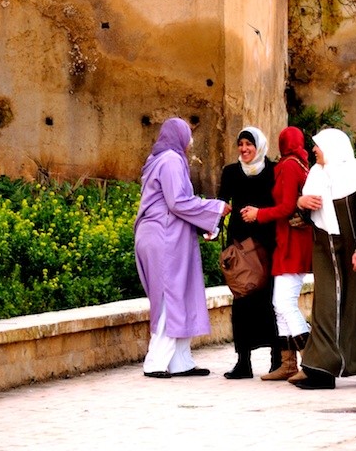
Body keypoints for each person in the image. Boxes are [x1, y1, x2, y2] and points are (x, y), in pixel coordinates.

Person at [290, 128, 356, 390]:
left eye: (317, 146)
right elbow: (302, 218)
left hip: (355, 249)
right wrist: (301, 202)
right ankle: (322, 372)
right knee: (325, 309)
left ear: (333, 146)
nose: (313, 150)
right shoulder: (315, 175)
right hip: (325, 250)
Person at [134, 117, 231, 378]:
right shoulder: (171, 160)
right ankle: (155, 361)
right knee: (170, 295)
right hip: (163, 236)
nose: (190, 142)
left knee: (178, 293)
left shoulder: (159, 160)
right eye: (188, 135)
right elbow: (177, 202)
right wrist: (215, 208)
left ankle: (180, 361)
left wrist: (205, 224)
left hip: (163, 234)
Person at [241, 125, 313, 381]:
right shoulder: (302, 164)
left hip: (292, 242)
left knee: (284, 303)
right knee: (278, 303)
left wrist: (258, 214)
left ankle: (310, 361)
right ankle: (288, 363)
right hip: (293, 240)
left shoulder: (288, 166)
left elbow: (285, 207)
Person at [218, 126, 279, 379]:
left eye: (249, 144)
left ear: (259, 146)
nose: (244, 149)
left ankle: (278, 359)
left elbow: (280, 203)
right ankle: (243, 361)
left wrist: (259, 213)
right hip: (241, 247)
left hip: (268, 245)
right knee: (242, 302)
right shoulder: (231, 172)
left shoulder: (273, 170)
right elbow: (222, 201)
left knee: (271, 301)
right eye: (240, 144)